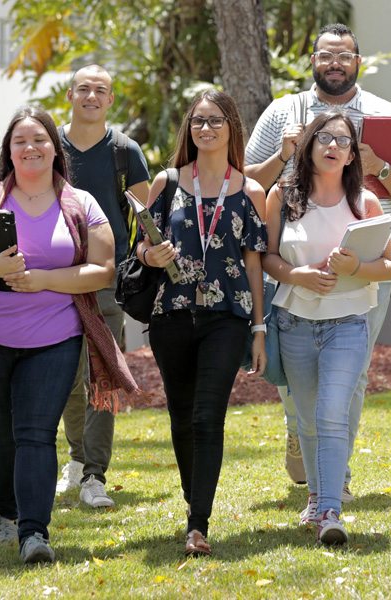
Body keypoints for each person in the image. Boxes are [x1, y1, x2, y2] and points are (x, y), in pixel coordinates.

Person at [0, 105, 144, 563]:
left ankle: (35, 533)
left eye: (39, 140)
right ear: (9, 151)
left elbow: (103, 270)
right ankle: (4, 515)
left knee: (35, 432)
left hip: (55, 338)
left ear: (56, 148)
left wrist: (45, 279)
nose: (30, 147)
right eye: (20, 141)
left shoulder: (81, 202)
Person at [245, 23, 391, 495]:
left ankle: (336, 477)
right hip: (293, 261)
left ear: (358, 62)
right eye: (326, 55)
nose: (335, 63)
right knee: (295, 374)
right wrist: (282, 156)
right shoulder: (281, 113)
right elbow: (243, 184)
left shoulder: (390, 117)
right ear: (312, 60)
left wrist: (378, 166)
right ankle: (299, 425)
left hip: (365, 266)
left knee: (355, 371)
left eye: (344, 56)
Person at [138, 90, 267, 557]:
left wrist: (258, 329)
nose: (206, 128)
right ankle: (197, 498)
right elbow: (142, 246)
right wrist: (149, 254)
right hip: (171, 313)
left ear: (231, 126)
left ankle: (198, 524)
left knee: (207, 415)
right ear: (188, 128)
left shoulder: (250, 191)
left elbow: (254, 265)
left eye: (215, 120)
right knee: (181, 414)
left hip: (226, 318)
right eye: (198, 120)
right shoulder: (167, 182)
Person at [263, 108, 391, 545]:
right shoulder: (283, 196)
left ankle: (329, 511)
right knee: (306, 418)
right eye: (324, 138)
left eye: (343, 140)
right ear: (308, 146)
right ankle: (318, 497)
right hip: (295, 321)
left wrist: (357, 264)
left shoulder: (367, 203)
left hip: (348, 323)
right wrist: (297, 275)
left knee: (332, 413)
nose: (333, 146)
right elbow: (266, 258)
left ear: (353, 153)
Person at [56, 64, 151, 508]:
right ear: (70, 95)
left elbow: (147, 217)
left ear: (111, 100)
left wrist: (140, 263)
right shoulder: (48, 145)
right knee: (65, 378)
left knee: (102, 378)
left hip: (105, 281)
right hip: (51, 281)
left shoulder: (125, 151)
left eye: (101, 90)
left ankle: (94, 475)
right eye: (84, 88)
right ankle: (77, 458)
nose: (91, 96)